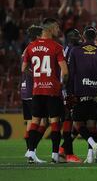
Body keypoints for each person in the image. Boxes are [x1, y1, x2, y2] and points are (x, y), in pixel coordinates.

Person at [22, 18, 68, 163]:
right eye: (57, 27)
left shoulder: (30, 46)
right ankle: (54, 155)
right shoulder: (57, 47)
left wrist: (37, 77)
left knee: (35, 121)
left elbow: (23, 69)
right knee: (54, 122)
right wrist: (62, 85)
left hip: (37, 90)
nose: (58, 30)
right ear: (50, 29)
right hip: (52, 90)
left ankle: (31, 152)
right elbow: (65, 72)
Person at [67, 26, 97, 163]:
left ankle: (92, 144)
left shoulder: (75, 51)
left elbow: (71, 74)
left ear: (84, 37)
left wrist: (70, 93)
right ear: (95, 38)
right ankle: (90, 155)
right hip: (96, 94)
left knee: (77, 122)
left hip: (80, 92)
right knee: (93, 124)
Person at [22, 25, 48, 159]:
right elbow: (25, 68)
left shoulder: (28, 48)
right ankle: (32, 150)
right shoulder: (36, 48)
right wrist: (37, 76)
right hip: (33, 89)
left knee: (30, 122)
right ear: (38, 36)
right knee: (42, 122)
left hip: (24, 90)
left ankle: (30, 151)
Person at [58, 28, 82, 163]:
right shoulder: (68, 50)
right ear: (69, 37)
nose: (79, 36)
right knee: (70, 119)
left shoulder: (75, 49)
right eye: (76, 35)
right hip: (69, 90)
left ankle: (62, 149)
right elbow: (64, 73)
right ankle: (68, 154)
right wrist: (65, 89)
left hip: (77, 89)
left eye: (78, 34)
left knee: (77, 120)